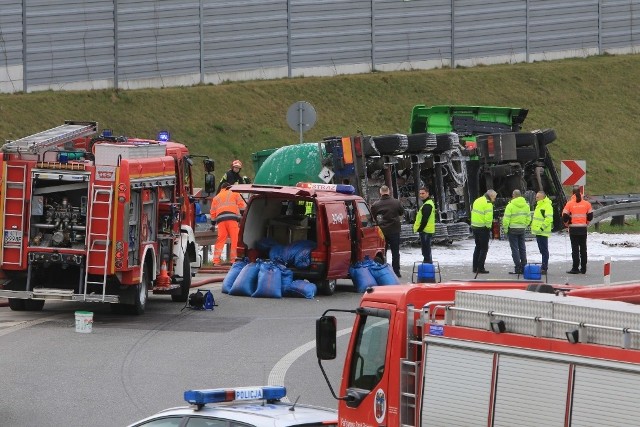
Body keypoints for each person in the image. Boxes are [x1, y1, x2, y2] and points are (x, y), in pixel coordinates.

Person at [371, 185, 404, 277]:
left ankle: (383, 272)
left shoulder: (375, 205)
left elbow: (372, 217)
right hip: (394, 230)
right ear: (388, 191)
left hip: (382, 232)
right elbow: (401, 212)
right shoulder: (396, 202)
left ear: (380, 192)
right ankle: (396, 272)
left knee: (382, 252)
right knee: (395, 252)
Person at [209, 182, 246, 265]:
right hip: (232, 219)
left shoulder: (216, 197)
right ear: (229, 187)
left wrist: (212, 224)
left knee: (221, 239)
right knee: (235, 239)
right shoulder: (234, 193)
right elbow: (242, 206)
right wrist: (243, 216)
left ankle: (216, 261)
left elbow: (212, 212)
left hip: (220, 220)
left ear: (222, 188)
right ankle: (234, 260)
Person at [562, 187, 593, 274]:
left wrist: (567, 224)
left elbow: (564, 216)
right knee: (583, 249)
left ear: (572, 194)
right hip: (583, 228)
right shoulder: (587, 204)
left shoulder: (569, 204)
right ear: (580, 192)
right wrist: (586, 222)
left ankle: (575, 268)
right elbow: (590, 216)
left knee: (575, 249)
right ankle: (583, 268)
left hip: (573, 229)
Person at [502, 189, 532, 275]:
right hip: (521, 229)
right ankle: (524, 265)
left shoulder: (510, 205)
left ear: (513, 195)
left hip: (512, 229)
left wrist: (505, 229)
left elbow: (506, 219)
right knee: (522, 248)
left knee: (515, 249)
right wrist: (524, 225)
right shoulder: (526, 205)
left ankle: (517, 267)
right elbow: (528, 218)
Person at [470, 189, 497, 274]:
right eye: (495, 197)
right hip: (483, 228)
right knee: (484, 249)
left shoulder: (478, 200)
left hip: (475, 226)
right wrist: (489, 228)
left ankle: (475, 267)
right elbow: (488, 218)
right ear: (491, 196)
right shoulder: (488, 203)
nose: (495, 199)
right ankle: (480, 267)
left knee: (477, 247)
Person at [531, 191, 553, 273]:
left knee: (544, 250)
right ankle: (543, 266)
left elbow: (548, 219)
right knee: (542, 250)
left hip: (542, 231)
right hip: (538, 231)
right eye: (536, 197)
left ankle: (544, 267)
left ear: (542, 197)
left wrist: (541, 228)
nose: (536, 198)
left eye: (537, 197)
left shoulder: (547, 205)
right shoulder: (539, 205)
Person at [413, 187, 436, 264]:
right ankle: (428, 264)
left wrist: (420, 229)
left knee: (426, 251)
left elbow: (425, 219)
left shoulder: (427, 205)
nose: (421, 195)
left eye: (423, 193)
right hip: (427, 230)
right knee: (426, 250)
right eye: (420, 193)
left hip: (425, 230)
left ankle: (427, 265)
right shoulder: (427, 204)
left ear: (427, 193)